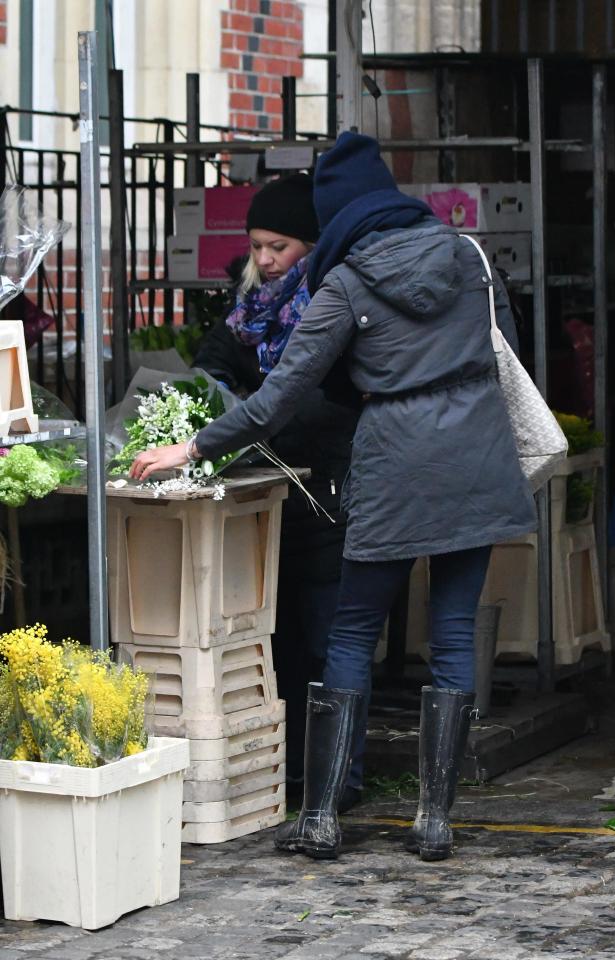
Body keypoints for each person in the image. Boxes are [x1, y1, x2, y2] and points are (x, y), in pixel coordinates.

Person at [130, 132, 538, 863]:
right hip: (476, 461)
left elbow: (278, 398)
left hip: (391, 466)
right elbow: (504, 354)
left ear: (337, 212)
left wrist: (190, 447)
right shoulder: (471, 260)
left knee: (351, 631)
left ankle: (320, 816)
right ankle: (434, 819)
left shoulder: (343, 284)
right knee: (450, 632)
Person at [193, 174, 361, 805]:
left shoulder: (332, 303)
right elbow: (210, 363)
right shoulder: (247, 311)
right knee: (278, 644)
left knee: (328, 644)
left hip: (327, 495)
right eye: (257, 245)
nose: (263, 260)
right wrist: (222, 399)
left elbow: (326, 402)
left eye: (279, 247)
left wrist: (255, 413)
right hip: (263, 501)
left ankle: (339, 781)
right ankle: (287, 775)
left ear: (310, 246)